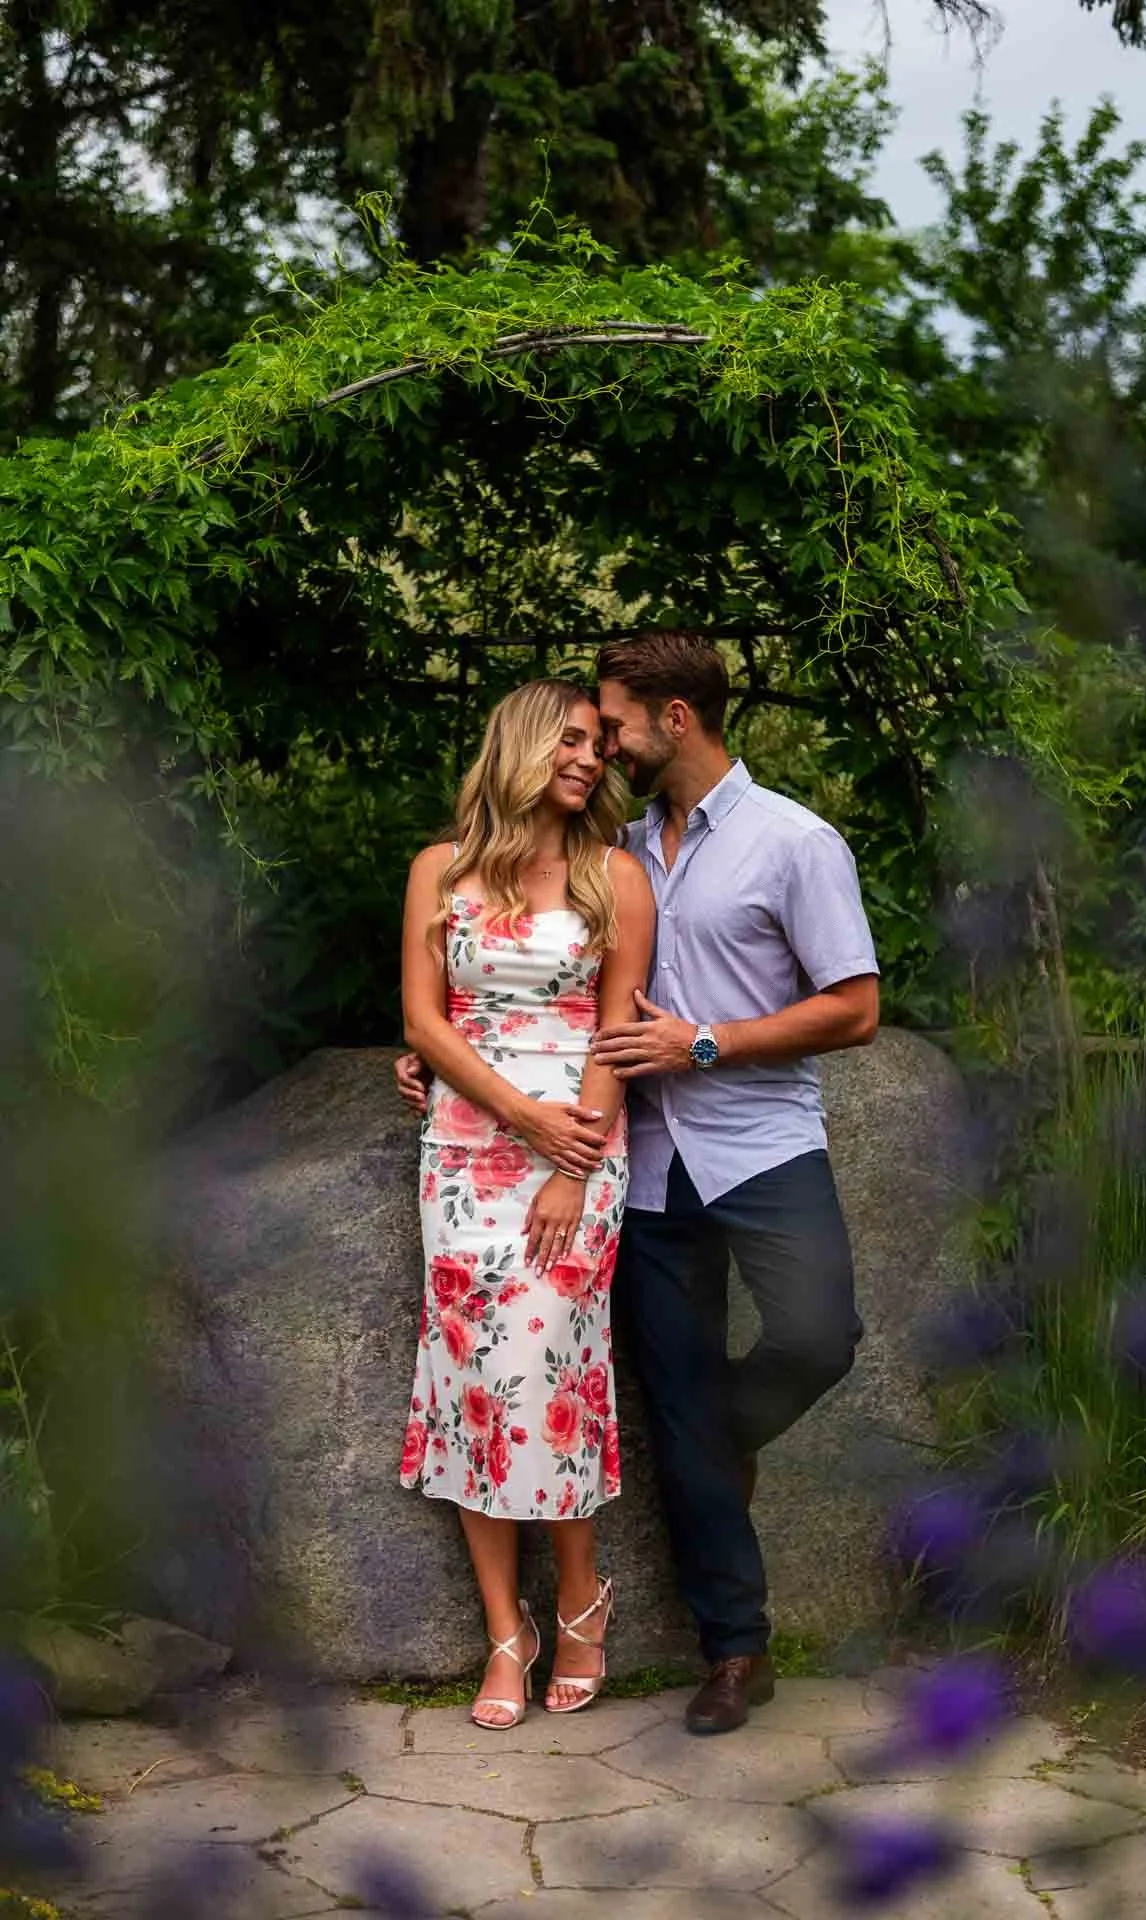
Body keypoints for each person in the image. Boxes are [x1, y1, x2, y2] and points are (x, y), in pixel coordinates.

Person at [397, 633, 878, 1737]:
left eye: (608, 723)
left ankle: (705, 1441)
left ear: (672, 717)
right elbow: (489, 986)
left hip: (751, 1140)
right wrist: (444, 1052)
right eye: (578, 731)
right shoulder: (630, 845)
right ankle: (732, 1649)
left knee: (813, 1339)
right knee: (646, 1390)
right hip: (639, 1159)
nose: (599, 743)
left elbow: (853, 1009)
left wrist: (702, 1045)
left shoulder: (790, 841)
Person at [398, 679, 654, 1731]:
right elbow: (424, 1016)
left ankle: (584, 1603)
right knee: (470, 1384)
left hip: (577, 1161)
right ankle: (507, 1633)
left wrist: (568, 1158)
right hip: (463, 1157)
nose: (590, 758)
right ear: (519, 743)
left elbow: (616, 1033)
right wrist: (513, 1117)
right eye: (573, 739)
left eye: (598, 743)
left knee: (547, 1375)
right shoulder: (438, 871)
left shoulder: (613, 877)